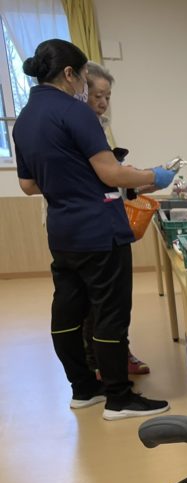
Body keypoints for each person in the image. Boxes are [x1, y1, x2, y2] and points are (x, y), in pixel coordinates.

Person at [13, 39, 173, 420]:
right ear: (70, 74)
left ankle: (83, 389)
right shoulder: (75, 112)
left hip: (62, 232)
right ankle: (119, 397)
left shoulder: (24, 120)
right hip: (99, 230)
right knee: (109, 313)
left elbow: (28, 185)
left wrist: (69, 181)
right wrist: (154, 175)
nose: (88, 89)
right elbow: (110, 173)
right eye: (85, 79)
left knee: (68, 311)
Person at [83, 60, 151, 377]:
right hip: (89, 227)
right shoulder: (78, 126)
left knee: (109, 302)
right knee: (101, 303)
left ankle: (114, 357)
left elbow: (109, 176)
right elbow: (106, 177)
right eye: (97, 95)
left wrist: (130, 178)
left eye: (107, 96)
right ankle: (103, 365)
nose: (103, 102)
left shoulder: (97, 125)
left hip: (100, 220)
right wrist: (143, 176)